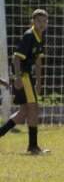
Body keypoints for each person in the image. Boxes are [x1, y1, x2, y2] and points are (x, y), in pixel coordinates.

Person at [0, 9, 50, 154]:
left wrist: (40, 82)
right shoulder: (29, 36)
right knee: (33, 108)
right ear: (33, 22)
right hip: (23, 75)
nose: (42, 24)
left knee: (23, 112)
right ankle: (33, 146)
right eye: (39, 21)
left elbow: (39, 61)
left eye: (44, 21)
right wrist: (17, 77)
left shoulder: (41, 36)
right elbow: (16, 58)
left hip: (29, 76)